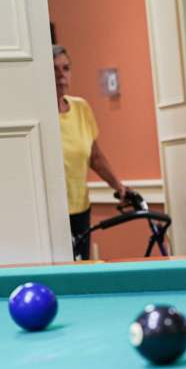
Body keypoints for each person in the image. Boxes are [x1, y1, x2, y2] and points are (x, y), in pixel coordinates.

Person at [53, 45, 127, 260]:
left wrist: (118, 186)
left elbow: (94, 156)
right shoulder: (40, 115)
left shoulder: (81, 108)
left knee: (80, 266)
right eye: (54, 70)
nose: (61, 76)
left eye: (65, 69)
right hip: (53, 214)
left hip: (80, 209)